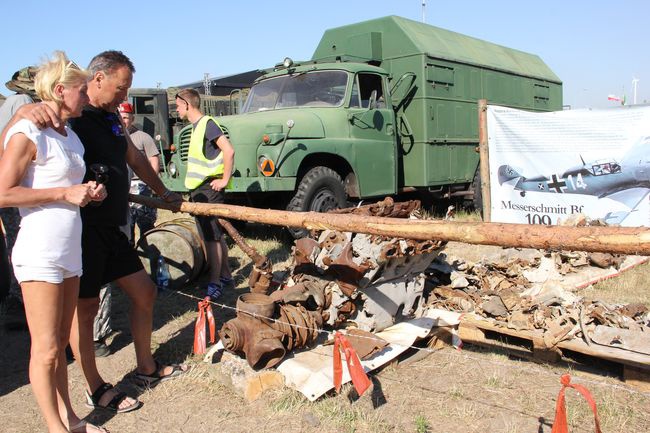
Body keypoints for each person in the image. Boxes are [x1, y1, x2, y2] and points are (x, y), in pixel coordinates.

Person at [10, 50, 188, 414]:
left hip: (111, 226)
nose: (125, 97)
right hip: (80, 230)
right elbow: (29, 123)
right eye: (121, 89)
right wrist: (22, 109)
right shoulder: (68, 115)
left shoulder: (109, 118)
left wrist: (164, 193)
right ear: (98, 78)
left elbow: (135, 160)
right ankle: (95, 386)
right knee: (86, 310)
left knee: (144, 292)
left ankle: (146, 367)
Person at [0, 52, 108, 433]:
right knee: (46, 349)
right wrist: (65, 193)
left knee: (62, 343)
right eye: (82, 90)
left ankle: (70, 418)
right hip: (40, 252)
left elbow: (63, 186)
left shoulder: (71, 136)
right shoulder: (28, 131)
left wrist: (89, 192)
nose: (86, 97)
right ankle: (55, 427)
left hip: (68, 250)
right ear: (60, 90)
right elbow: (3, 193)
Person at [175, 89, 235, 299]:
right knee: (212, 237)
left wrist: (225, 179)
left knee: (212, 239)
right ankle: (225, 276)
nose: (176, 109)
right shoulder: (196, 127)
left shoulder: (207, 124)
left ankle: (215, 283)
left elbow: (229, 150)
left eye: (178, 105)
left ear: (187, 105)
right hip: (199, 189)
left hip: (209, 188)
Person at [0, 65, 39, 303]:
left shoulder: (11, 103)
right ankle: (19, 299)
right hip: (11, 182)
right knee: (18, 238)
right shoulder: (23, 102)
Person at [118, 101, 159, 242]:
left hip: (142, 186)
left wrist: (152, 184)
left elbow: (154, 160)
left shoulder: (143, 137)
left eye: (126, 117)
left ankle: (148, 258)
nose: (123, 121)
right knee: (126, 228)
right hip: (123, 187)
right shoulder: (115, 137)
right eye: (120, 117)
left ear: (132, 119)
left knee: (146, 227)